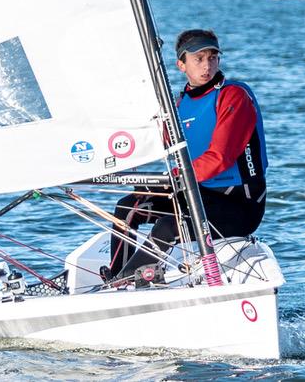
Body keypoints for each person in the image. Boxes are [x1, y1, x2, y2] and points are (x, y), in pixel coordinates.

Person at [106, 29, 268, 280]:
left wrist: (170, 177)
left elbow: (219, 158)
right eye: (199, 59)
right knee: (128, 207)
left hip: (238, 203)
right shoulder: (179, 104)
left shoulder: (233, 96)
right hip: (197, 194)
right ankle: (117, 276)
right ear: (181, 64)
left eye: (213, 57)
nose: (207, 66)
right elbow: (156, 143)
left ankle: (123, 282)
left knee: (169, 226)